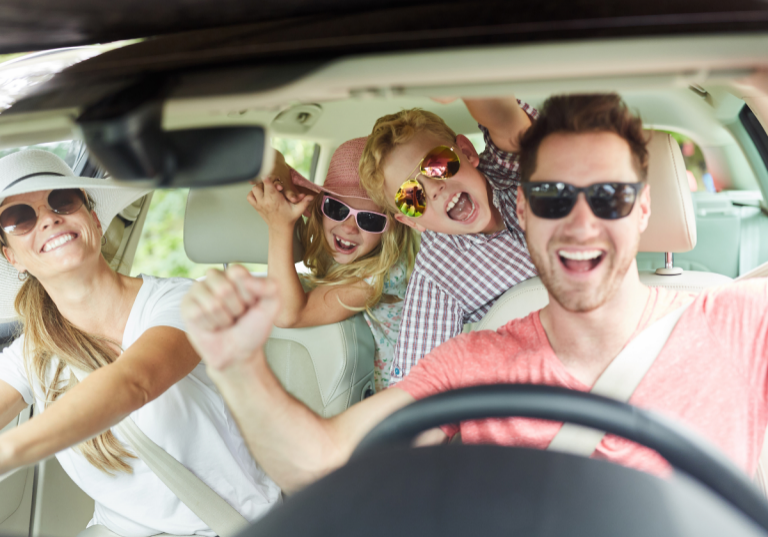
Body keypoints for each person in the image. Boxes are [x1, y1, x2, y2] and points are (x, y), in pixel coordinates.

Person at [181, 92, 768, 494]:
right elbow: (330, 459)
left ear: (644, 207)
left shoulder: (732, 321)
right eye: (410, 198)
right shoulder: (468, 355)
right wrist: (238, 366)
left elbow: (504, 117)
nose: (577, 222)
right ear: (524, 210)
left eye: (604, 195)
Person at [0, 150, 280, 537]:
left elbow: (135, 383)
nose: (48, 218)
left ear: (94, 219)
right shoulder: (32, 352)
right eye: (19, 218)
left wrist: (9, 451)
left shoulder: (182, 302)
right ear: (11, 256)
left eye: (63, 201)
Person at [358, 97, 539, 384]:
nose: (434, 189)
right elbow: (417, 388)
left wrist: (467, 78)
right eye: (410, 197)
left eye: (437, 164)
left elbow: (507, 122)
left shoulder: (511, 171)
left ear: (467, 152)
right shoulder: (438, 275)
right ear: (412, 222)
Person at [247, 138, 418, 391]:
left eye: (370, 219)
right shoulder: (346, 255)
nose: (349, 227)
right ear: (321, 208)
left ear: (390, 229)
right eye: (337, 208)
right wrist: (281, 173)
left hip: (402, 413)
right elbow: (262, 156)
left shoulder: (385, 273)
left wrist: (279, 226)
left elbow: (287, 315)